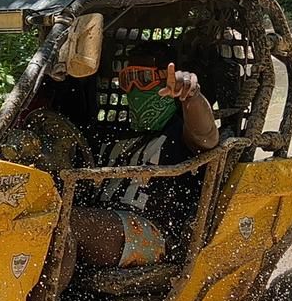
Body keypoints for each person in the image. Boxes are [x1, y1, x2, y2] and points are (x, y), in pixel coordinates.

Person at [70, 59, 218, 268]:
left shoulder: (179, 133)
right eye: (127, 79)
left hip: (153, 234)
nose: (134, 88)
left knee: (67, 223)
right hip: (103, 223)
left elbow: (207, 137)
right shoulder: (110, 134)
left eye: (145, 79)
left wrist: (191, 96)